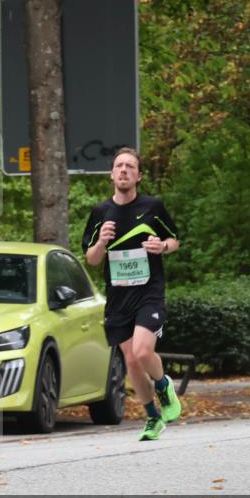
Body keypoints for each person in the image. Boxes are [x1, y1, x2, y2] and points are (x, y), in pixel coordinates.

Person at [82, 147, 182, 441]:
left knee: (142, 351)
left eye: (129, 166)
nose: (124, 170)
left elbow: (174, 239)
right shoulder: (100, 213)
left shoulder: (153, 207)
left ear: (138, 175)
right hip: (118, 298)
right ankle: (152, 417)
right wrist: (101, 242)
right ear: (112, 174)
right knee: (132, 361)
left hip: (149, 292)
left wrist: (161, 247)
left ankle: (163, 385)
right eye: (119, 166)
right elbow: (91, 259)